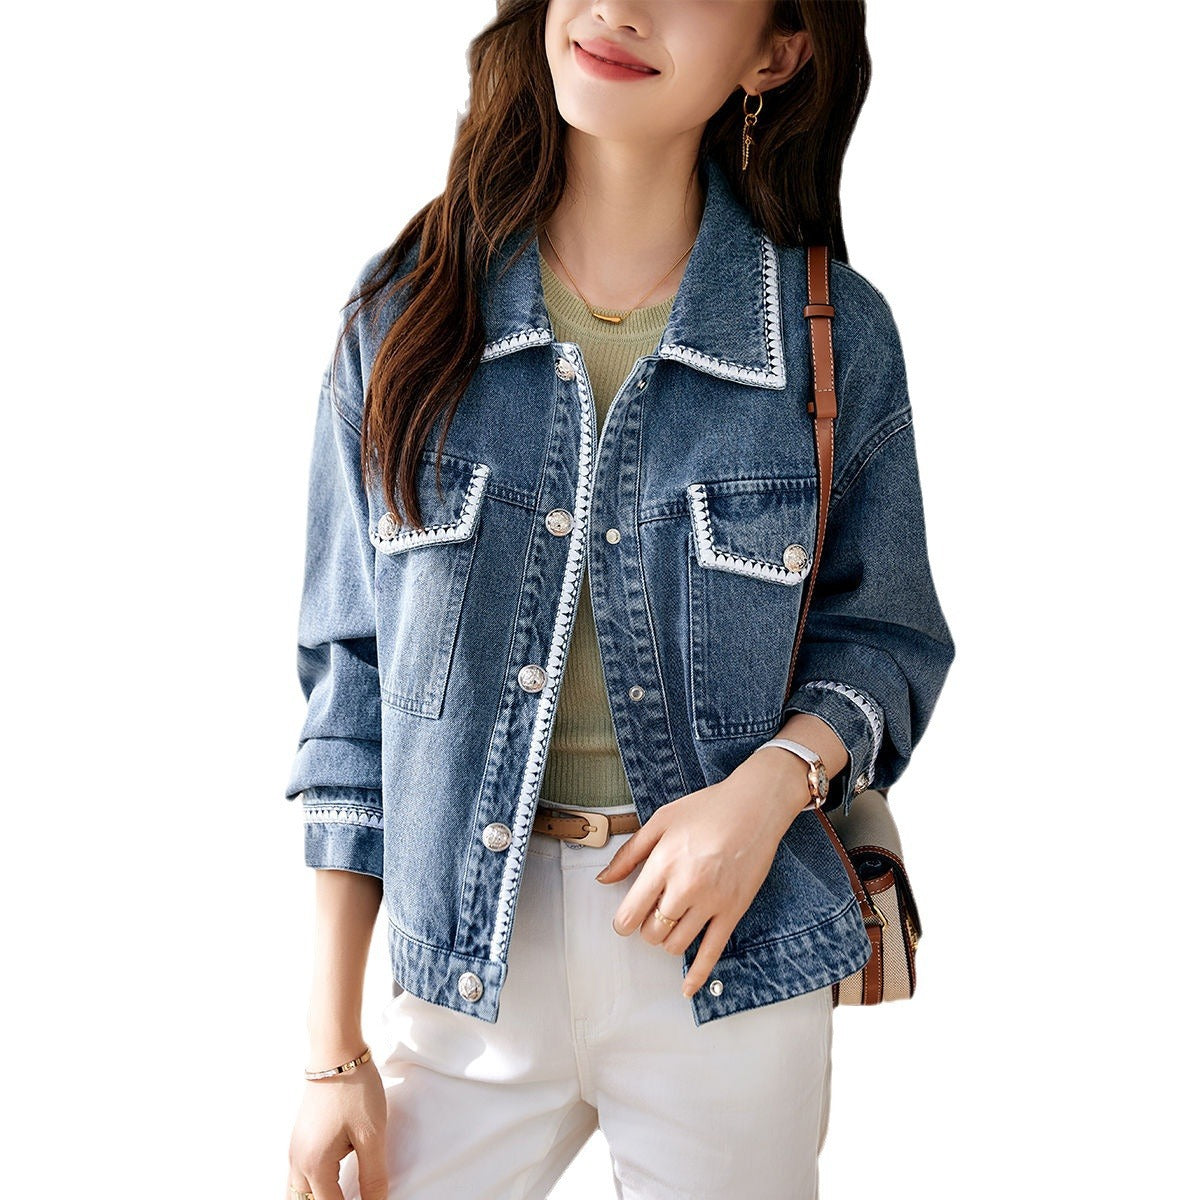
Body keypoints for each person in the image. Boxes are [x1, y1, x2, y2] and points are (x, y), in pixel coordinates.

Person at [283, 2, 955, 1197]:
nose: (620, 8)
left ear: (776, 52)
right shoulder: (405, 318)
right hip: (468, 962)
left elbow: (885, 639)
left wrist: (761, 797)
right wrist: (332, 1052)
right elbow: (352, 690)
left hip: (729, 963)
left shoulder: (830, 337)